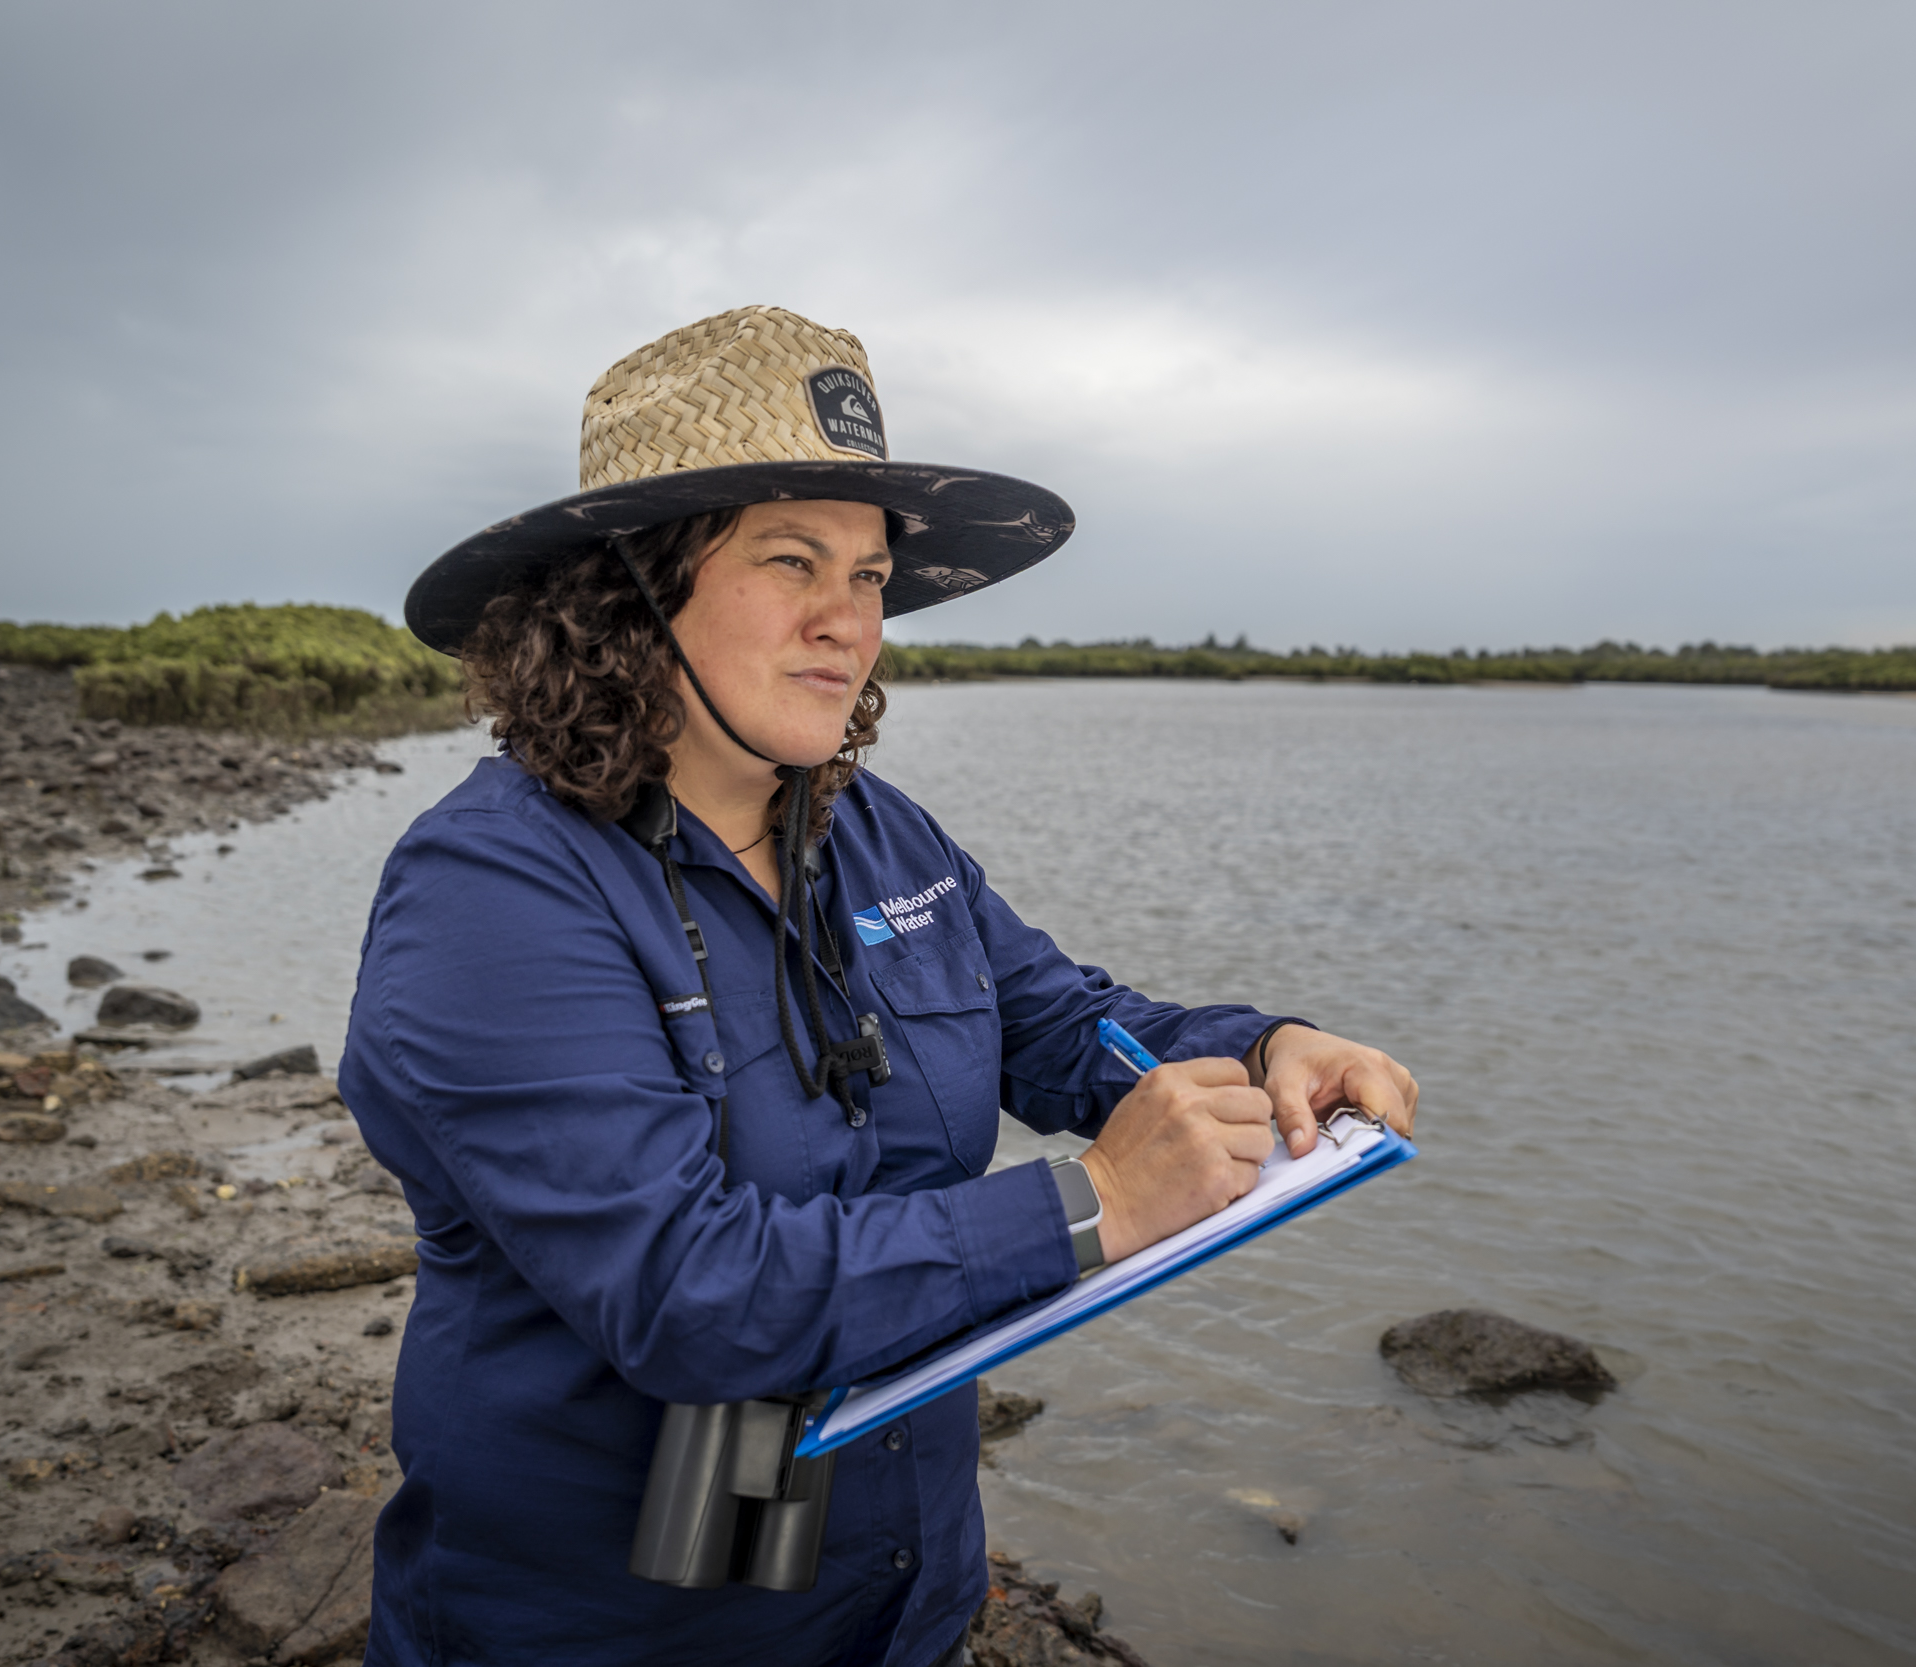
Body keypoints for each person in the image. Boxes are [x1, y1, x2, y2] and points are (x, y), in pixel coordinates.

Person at [341, 304, 1419, 1667]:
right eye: (792, 560)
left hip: (902, 1602)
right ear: (627, 592)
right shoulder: (491, 894)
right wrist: (1094, 1204)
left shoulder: (881, 833)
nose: (847, 622)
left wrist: (1266, 1047)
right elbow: (685, 1292)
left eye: (868, 576)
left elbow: (1061, 1023)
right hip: (609, 1632)